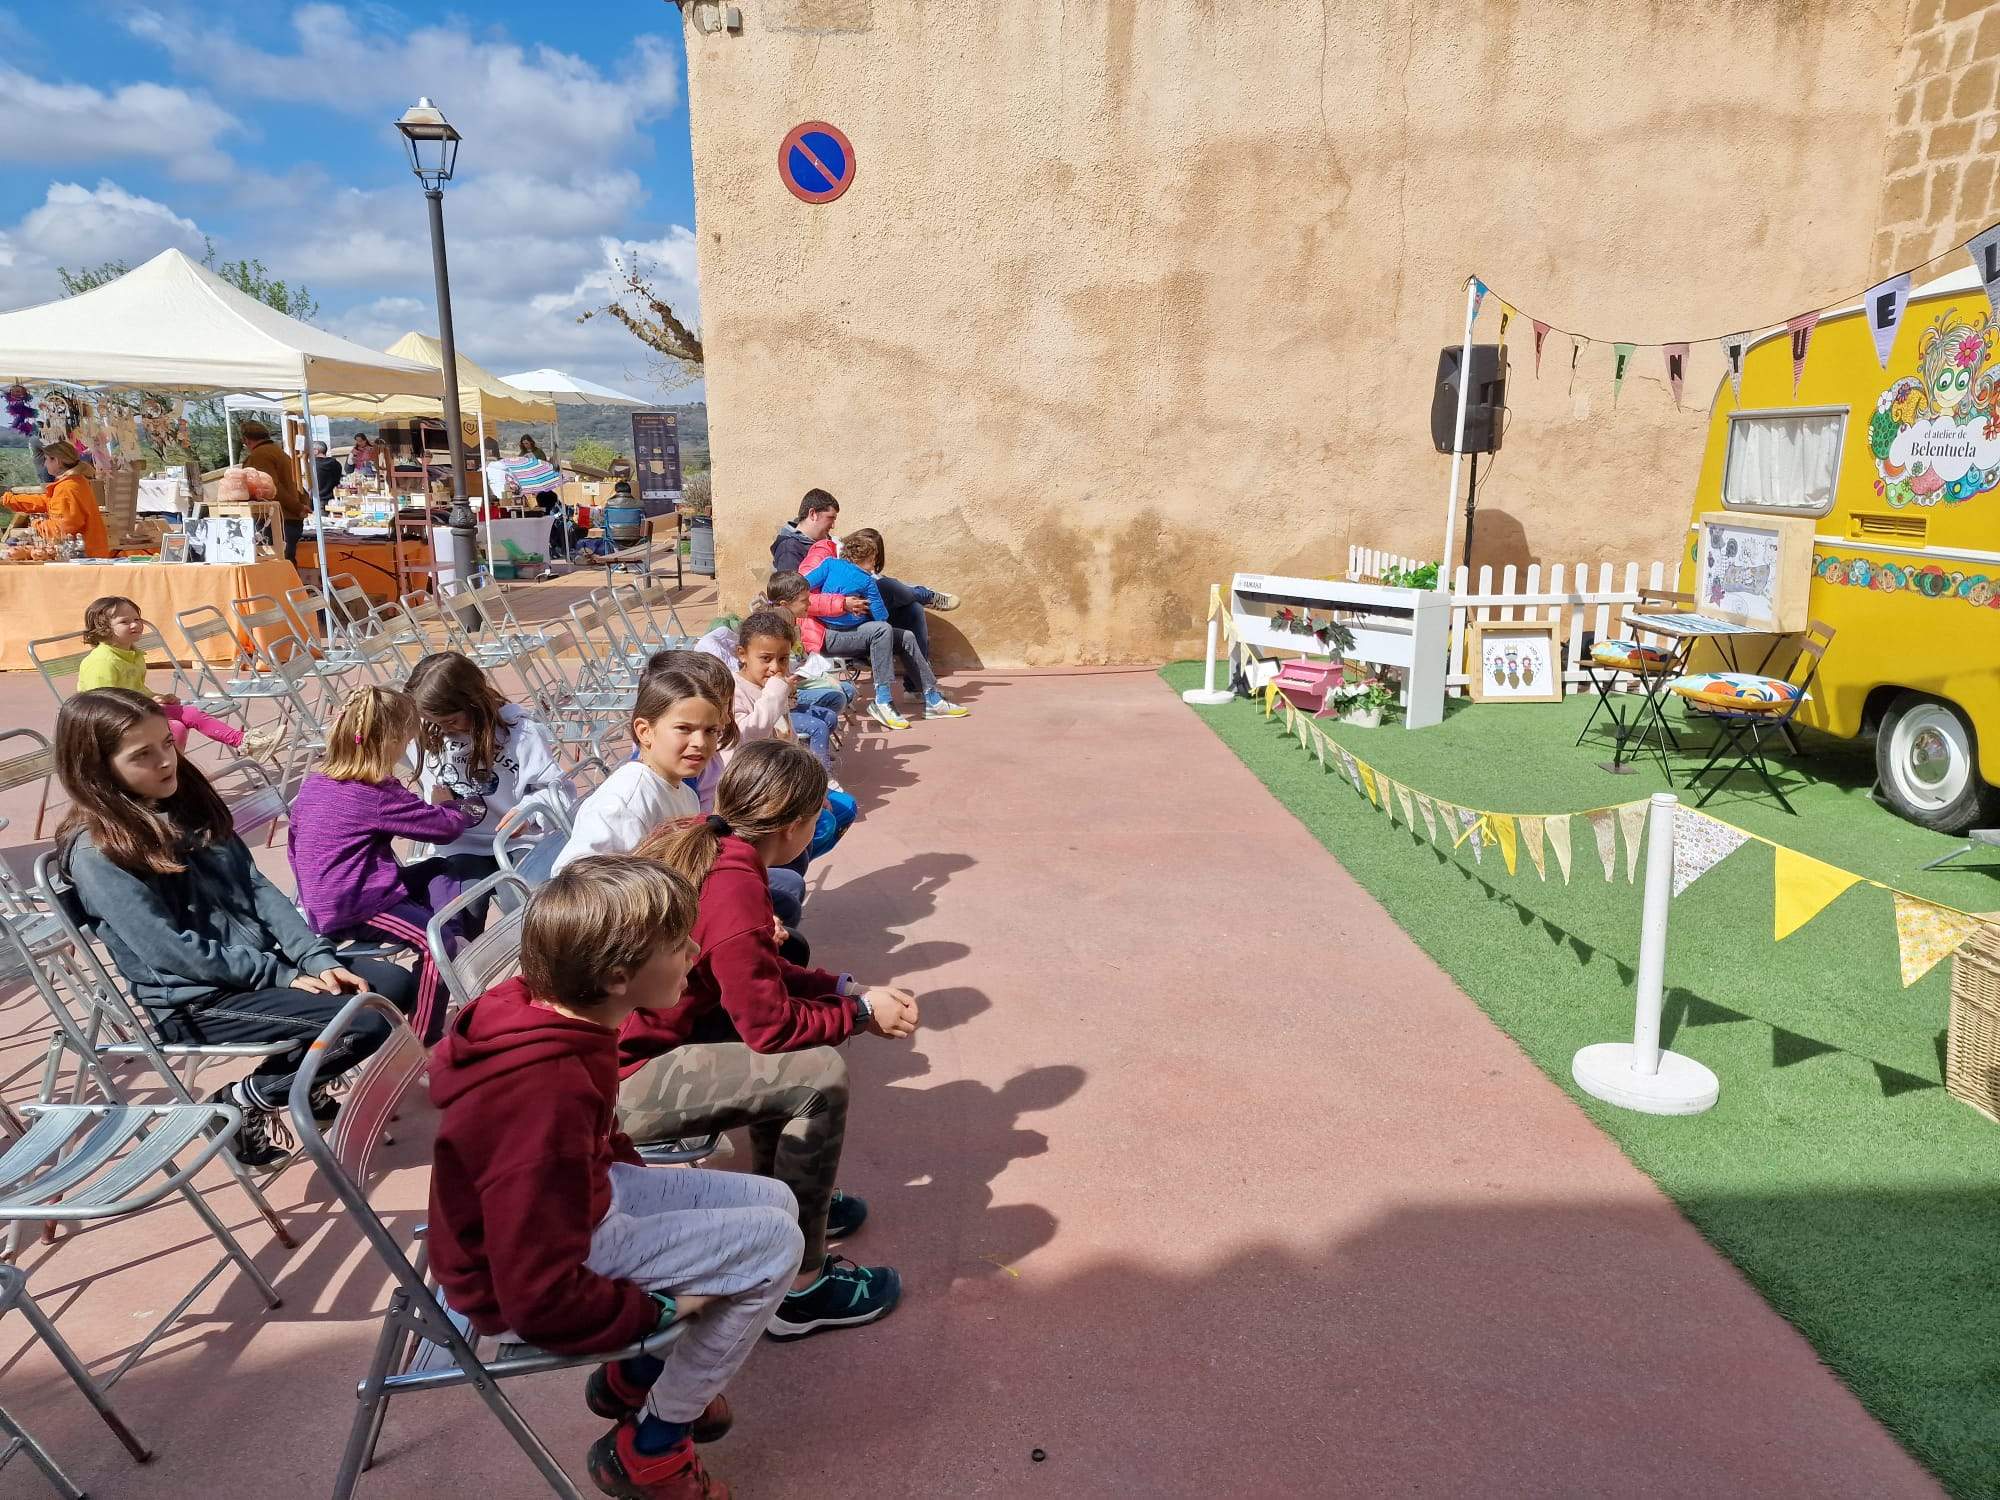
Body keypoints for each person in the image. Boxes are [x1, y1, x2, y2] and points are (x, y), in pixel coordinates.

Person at [428, 855, 801, 1499]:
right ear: (616, 977)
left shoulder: (555, 1014)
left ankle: (634, 1380)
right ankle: (651, 1450)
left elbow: (591, 1145)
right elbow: (534, 1291)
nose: (694, 950)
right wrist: (647, 1314)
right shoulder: (540, 1096)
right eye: (677, 944)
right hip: (527, 1274)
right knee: (776, 1248)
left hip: (580, 1206)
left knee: (776, 1199)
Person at [624, 740, 916, 1340]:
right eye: (818, 817)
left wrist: (839, 988)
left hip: (631, 1043)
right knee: (816, 1075)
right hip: (615, 1083)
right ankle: (799, 1288)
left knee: (799, 1036)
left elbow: (751, 971)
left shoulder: (707, 837)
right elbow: (769, 1026)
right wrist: (860, 1012)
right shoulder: (733, 885)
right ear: (794, 828)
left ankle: (786, 1203)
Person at [55, 688, 418, 1165]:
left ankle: (304, 1085)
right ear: (96, 769)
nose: (166, 761)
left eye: (167, 742)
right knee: (364, 1021)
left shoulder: (185, 802)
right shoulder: (97, 853)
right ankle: (243, 1100)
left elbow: (256, 886)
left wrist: (313, 956)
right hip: (200, 1001)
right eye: (143, 755)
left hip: (265, 967)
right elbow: (168, 950)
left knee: (391, 983)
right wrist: (281, 975)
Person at [286, 685, 481, 1044]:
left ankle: (451, 937)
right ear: (391, 741)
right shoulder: (374, 793)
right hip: (356, 904)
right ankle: (423, 1039)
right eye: (406, 741)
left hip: (324, 898)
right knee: (434, 943)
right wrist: (460, 806)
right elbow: (441, 828)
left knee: (441, 870)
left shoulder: (316, 782)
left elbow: (295, 845)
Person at [408, 651, 568, 888]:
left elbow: (560, 793)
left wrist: (527, 812)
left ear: (474, 703)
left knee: (523, 894)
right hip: (459, 844)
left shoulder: (521, 733)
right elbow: (375, 750)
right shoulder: (426, 731)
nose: (444, 729)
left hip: (516, 841)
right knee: (458, 903)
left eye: (451, 721)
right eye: (434, 722)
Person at [553, 667, 731, 873]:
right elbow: (572, 875)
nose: (700, 742)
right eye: (684, 728)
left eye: (711, 731)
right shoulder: (627, 800)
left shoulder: (686, 793)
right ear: (645, 731)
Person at [772, 488, 959, 684]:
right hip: (826, 626)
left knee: (912, 610)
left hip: (850, 610)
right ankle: (923, 594)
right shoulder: (790, 550)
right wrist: (843, 603)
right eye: (831, 518)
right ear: (812, 514)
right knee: (886, 590)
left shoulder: (827, 544)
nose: (834, 525)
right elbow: (796, 600)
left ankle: (919, 688)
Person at [76, 595, 281, 759]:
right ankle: (169, 775)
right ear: (103, 630)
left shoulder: (132, 653)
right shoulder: (102, 662)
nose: (135, 625)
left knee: (185, 719)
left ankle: (243, 742)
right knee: (177, 726)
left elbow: (135, 688)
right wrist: (146, 702)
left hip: (137, 712)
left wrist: (157, 697)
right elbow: (101, 704)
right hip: (113, 724)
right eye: (125, 621)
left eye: (137, 619)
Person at [806, 528, 968, 730]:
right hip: (826, 636)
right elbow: (882, 617)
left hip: (849, 633)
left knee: (906, 637)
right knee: (883, 628)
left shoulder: (829, 564)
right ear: (869, 557)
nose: (875, 564)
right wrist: (847, 604)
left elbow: (803, 584)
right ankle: (883, 700)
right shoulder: (866, 581)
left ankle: (933, 699)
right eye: (874, 559)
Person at [18, 440, 110, 557]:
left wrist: (36, 525)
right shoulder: (74, 482)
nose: (45, 464)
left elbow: (62, 528)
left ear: (56, 461)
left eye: (46, 459)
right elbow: (48, 501)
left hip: (84, 556)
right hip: (91, 552)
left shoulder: (67, 488)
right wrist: (9, 500)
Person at [236, 419, 307, 563]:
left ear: (246, 439)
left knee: (276, 565)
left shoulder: (259, 456)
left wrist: (297, 507)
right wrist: (301, 504)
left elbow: (271, 488)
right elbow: (293, 484)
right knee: (287, 563)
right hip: (287, 517)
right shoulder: (277, 452)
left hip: (276, 518)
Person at [312, 441, 342, 510]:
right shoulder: (336, 463)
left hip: (319, 500)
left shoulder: (313, 466)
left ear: (316, 451)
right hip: (335, 499)